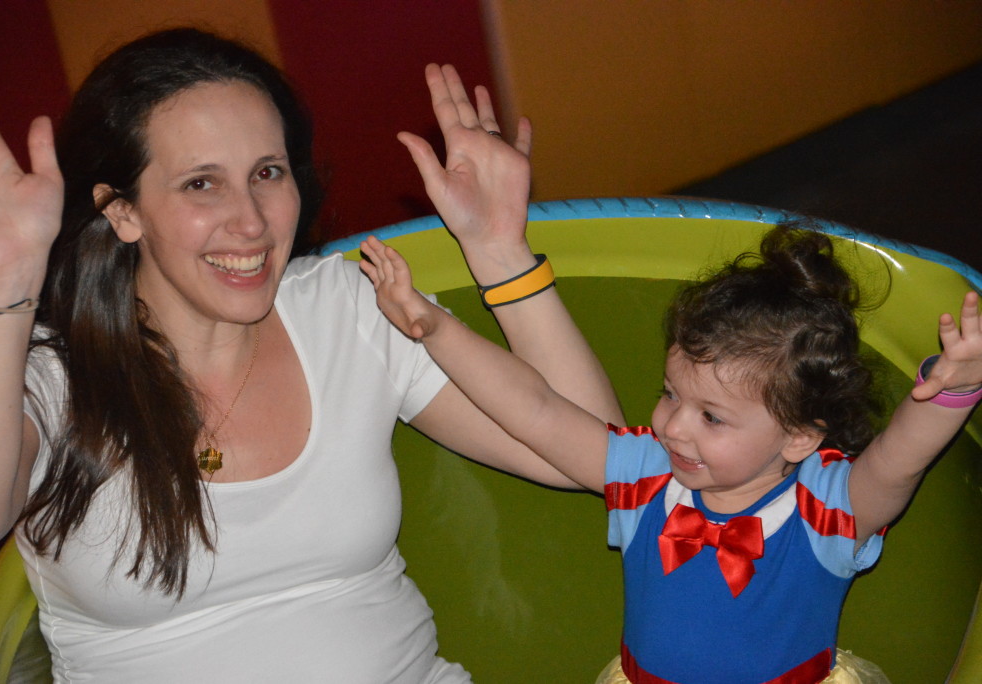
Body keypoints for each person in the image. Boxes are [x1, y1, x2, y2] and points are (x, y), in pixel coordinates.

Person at [0, 28, 623, 682]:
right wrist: (3, 281)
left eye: (267, 173)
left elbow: (598, 459)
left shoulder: (350, 308)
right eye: (200, 184)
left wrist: (500, 252)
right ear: (124, 212)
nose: (251, 222)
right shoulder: (54, 375)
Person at [360, 224, 982, 683]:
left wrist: (951, 391)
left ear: (798, 436)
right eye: (669, 394)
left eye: (711, 416)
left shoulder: (827, 509)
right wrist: (435, 329)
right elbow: (537, 411)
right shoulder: (645, 476)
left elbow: (899, 459)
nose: (673, 426)